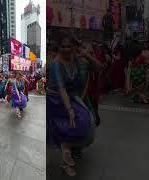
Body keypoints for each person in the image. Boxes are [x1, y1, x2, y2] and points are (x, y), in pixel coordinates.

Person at [47, 35, 95, 176]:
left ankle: (67, 148)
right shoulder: (56, 64)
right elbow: (61, 88)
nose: (66, 49)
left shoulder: (77, 61)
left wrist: (87, 55)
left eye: (69, 46)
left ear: (74, 48)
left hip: (72, 98)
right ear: (59, 48)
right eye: (63, 46)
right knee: (62, 129)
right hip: (56, 101)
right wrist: (69, 109)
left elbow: (98, 68)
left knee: (86, 121)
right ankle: (66, 162)